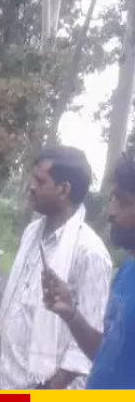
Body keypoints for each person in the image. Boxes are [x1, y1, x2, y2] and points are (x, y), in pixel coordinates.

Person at [0, 147, 112, 390]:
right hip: (4, 379)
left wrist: (50, 389)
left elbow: (87, 346)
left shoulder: (89, 252)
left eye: (40, 181)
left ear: (64, 189)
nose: (30, 186)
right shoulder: (33, 232)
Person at [41, 150, 135, 389]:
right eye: (113, 199)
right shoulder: (127, 271)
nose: (111, 212)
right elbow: (105, 353)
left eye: (123, 203)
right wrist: (71, 314)